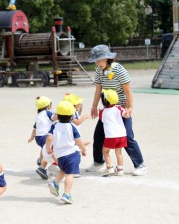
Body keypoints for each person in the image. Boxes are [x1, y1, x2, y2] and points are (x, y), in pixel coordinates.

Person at [86, 44, 147, 176]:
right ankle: (98, 163)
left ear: (107, 58)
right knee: (98, 136)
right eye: (95, 61)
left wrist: (130, 108)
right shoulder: (99, 71)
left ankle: (140, 164)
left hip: (121, 109)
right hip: (108, 110)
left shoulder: (119, 69)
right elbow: (98, 90)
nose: (97, 63)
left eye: (98, 60)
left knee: (128, 137)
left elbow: (128, 92)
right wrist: (94, 106)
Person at [46, 101, 87, 204]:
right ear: (72, 115)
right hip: (71, 154)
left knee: (63, 170)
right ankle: (67, 194)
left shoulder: (54, 126)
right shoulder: (72, 126)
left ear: (58, 115)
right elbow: (78, 141)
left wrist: (48, 148)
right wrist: (83, 149)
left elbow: (49, 138)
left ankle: (55, 183)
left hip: (59, 155)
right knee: (69, 174)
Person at [99, 89, 129, 176]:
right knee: (118, 152)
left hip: (110, 136)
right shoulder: (118, 108)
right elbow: (127, 115)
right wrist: (126, 108)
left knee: (105, 151)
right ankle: (120, 169)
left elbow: (101, 119)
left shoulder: (102, 111)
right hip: (122, 135)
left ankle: (109, 168)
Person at [27, 96, 57, 180]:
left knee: (44, 148)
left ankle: (40, 160)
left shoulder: (38, 115)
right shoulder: (48, 112)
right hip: (45, 136)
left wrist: (32, 137)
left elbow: (35, 128)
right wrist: (63, 114)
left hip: (38, 137)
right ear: (48, 106)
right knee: (48, 151)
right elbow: (55, 118)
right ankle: (42, 168)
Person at [63, 93, 91, 178]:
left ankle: (71, 169)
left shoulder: (67, 112)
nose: (80, 105)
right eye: (79, 104)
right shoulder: (72, 113)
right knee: (76, 154)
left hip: (70, 136)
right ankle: (74, 171)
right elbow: (77, 122)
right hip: (73, 136)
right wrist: (85, 117)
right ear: (73, 105)